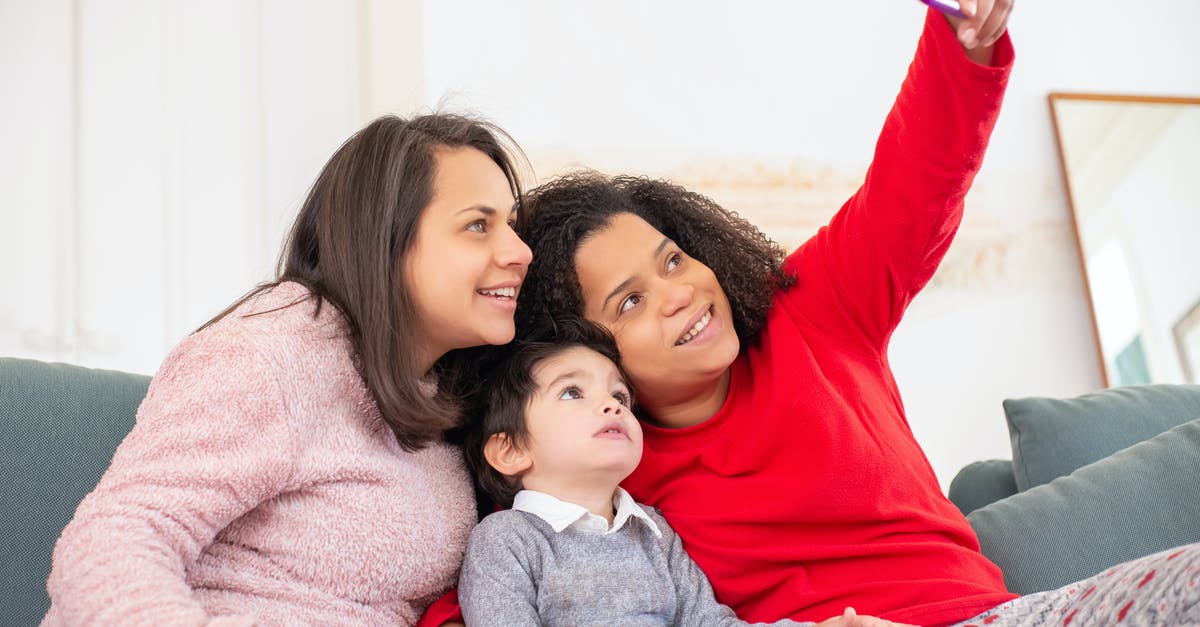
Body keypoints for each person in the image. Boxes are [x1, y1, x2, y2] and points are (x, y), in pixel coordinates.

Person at [510, 3, 1200, 627]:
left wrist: (959, 45)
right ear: (586, 347)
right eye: (630, 301)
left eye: (672, 260)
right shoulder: (611, 462)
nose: (679, 292)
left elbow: (913, 185)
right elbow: (512, 551)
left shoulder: (810, 311)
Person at [42, 113, 533, 625]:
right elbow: (108, 546)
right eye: (478, 226)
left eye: (512, 226)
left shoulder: (437, 388)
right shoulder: (269, 356)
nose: (520, 252)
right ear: (384, 239)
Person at [457, 319, 913, 627]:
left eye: (621, 395)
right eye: (572, 392)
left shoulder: (653, 531)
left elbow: (712, 624)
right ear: (511, 449)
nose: (612, 403)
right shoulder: (506, 539)